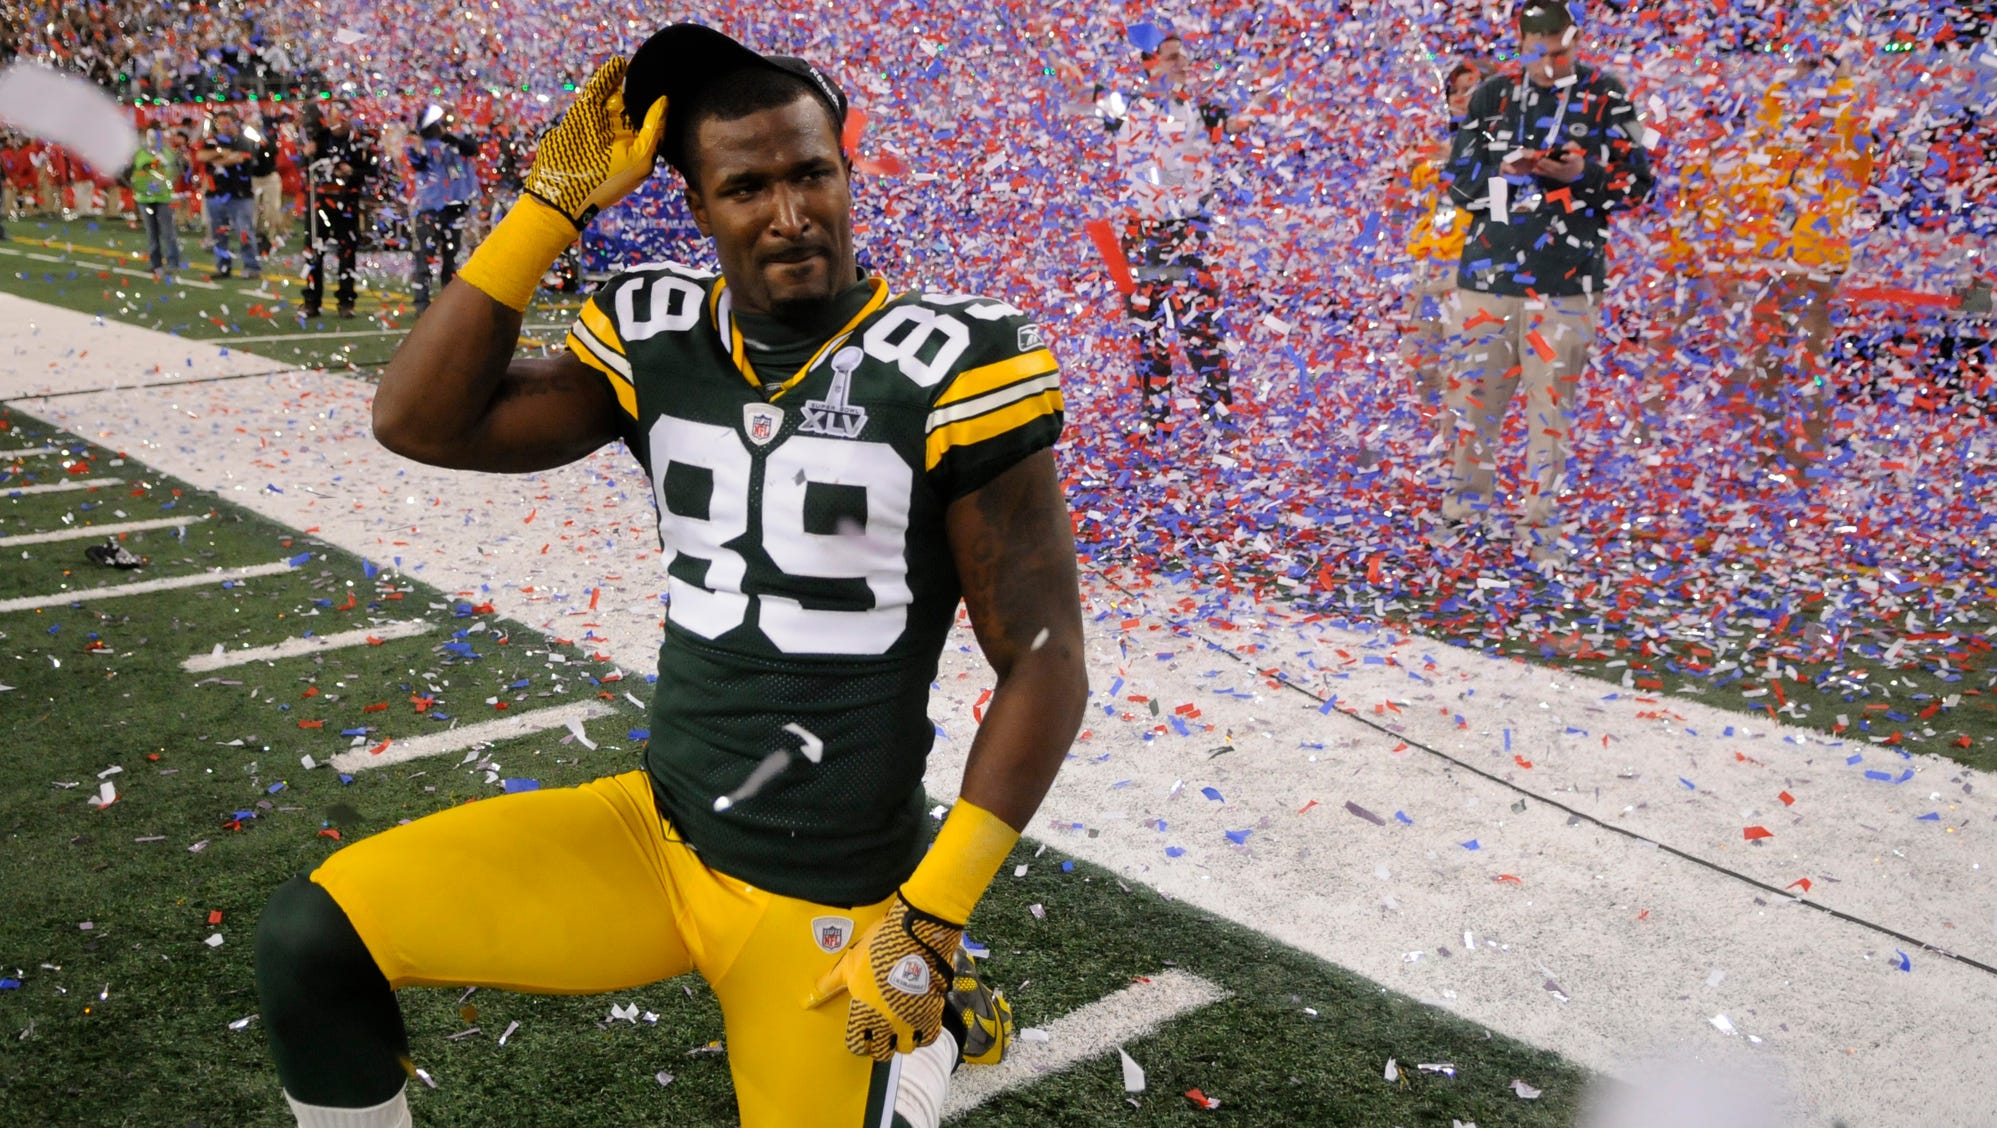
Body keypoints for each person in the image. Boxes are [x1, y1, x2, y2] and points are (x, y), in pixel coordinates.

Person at [253, 23, 1088, 1128]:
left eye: (812, 174)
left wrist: (930, 920)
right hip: (657, 838)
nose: (790, 215)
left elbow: (1044, 659)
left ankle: (938, 1011)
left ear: (846, 172)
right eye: (745, 187)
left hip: (831, 896)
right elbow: (418, 418)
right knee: (312, 941)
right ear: (695, 207)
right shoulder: (657, 334)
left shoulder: (951, 363)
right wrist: (552, 204)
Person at [1438, 0, 1654, 560]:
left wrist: (1584, 175)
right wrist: (1504, 174)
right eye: (1540, 54)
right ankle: (1464, 514)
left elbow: (1640, 186)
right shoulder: (1492, 95)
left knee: (1548, 410)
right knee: (1474, 403)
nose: (1553, 64)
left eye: (1562, 52)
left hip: (1566, 282)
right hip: (1488, 274)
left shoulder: (1607, 93)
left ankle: (1540, 526)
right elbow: (1459, 187)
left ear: (1576, 40)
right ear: (1520, 42)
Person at [1090, 32, 1258, 435]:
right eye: (1172, 57)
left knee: (1201, 325)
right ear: (1150, 63)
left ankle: (1218, 414)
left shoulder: (1200, 109)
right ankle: (1156, 417)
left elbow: (1239, 124)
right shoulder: (1125, 106)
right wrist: (1045, 41)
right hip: (1143, 236)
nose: (1183, 63)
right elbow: (1076, 83)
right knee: (1148, 327)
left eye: (1184, 56)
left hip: (1189, 234)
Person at [1399, 60, 1486, 412]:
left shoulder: (1500, 144)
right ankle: (1433, 444)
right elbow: (1403, 200)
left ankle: (1457, 452)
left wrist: (1460, 159)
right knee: (1419, 363)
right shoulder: (1432, 139)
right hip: (1426, 267)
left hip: (1468, 268)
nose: (1461, 97)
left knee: (1462, 370)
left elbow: (1498, 196)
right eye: (1455, 90)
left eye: (1471, 90)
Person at [402, 104, 480, 311]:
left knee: (451, 259)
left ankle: (448, 305)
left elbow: (472, 148)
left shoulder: (459, 137)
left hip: (455, 206)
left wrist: (448, 135)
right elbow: (416, 161)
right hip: (429, 206)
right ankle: (422, 304)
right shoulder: (420, 142)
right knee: (424, 258)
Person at [302, 98, 372, 318]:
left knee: (347, 253)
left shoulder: (361, 142)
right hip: (319, 202)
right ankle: (312, 301)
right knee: (314, 252)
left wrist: (352, 172)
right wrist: (307, 156)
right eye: (335, 116)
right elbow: (305, 170)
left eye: (344, 116)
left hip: (347, 203)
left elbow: (371, 173)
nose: (339, 121)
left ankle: (346, 302)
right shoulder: (319, 138)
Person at [195, 105, 262, 280]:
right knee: (219, 234)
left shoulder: (243, 139)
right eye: (220, 122)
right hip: (215, 194)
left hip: (239, 194)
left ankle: (251, 267)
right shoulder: (212, 141)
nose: (223, 126)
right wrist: (220, 153)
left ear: (235, 123)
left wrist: (219, 159)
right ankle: (223, 267)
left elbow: (239, 158)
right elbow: (201, 156)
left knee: (244, 232)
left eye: (227, 122)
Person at [130, 125, 183, 276]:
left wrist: (169, 185)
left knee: (168, 232)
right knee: (152, 233)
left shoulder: (167, 153)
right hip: (144, 198)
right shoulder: (139, 153)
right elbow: (130, 172)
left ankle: (172, 263)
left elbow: (177, 171)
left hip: (162, 198)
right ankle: (156, 264)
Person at [249, 110, 286, 254]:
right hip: (254, 178)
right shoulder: (246, 139)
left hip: (269, 177)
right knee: (253, 210)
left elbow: (273, 151)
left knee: (272, 208)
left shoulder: (268, 137)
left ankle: (272, 237)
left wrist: (262, 142)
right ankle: (255, 237)